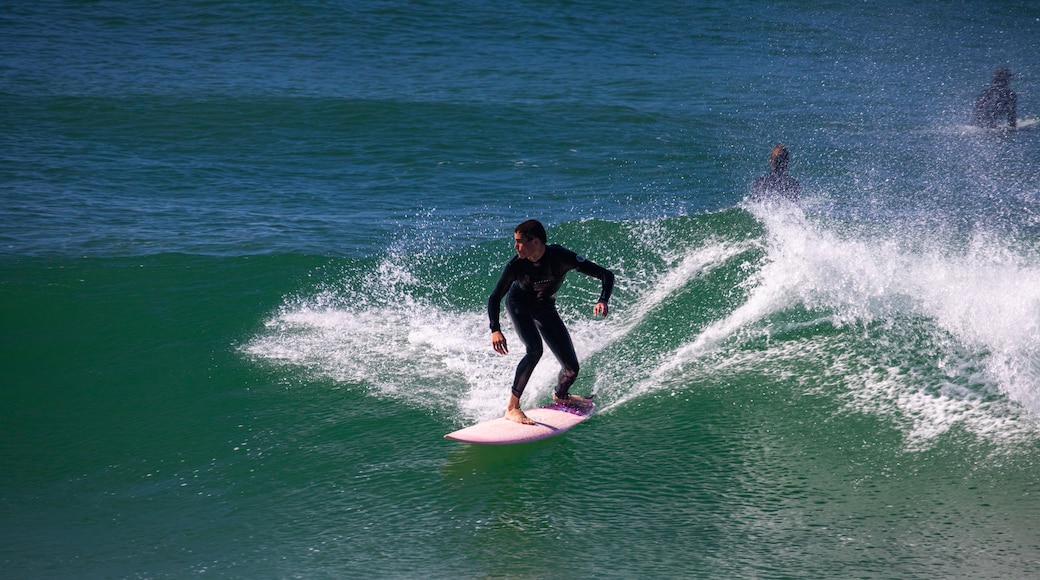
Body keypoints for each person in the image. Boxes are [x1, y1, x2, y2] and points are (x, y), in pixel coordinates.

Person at [488, 219, 615, 424]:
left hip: (544, 307)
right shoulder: (516, 265)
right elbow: (495, 297)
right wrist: (495, 329)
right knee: (534, 349)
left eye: (519, 242)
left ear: (536, 242)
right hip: (518, 303)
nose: (515, 246)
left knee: (571, 369)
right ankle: (512, 407)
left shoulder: (560, 257)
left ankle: (561, 395)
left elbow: (605, 275)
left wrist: (603, 300)